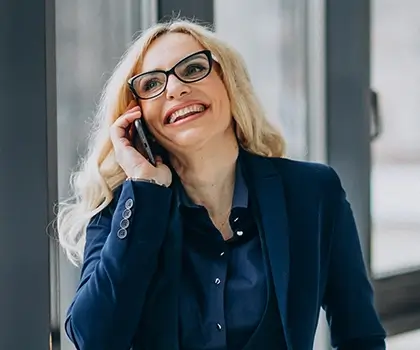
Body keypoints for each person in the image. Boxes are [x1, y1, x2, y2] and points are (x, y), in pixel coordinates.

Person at [57, 18, 386, 350]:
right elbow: (93, 338)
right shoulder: (125, 210)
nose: (175, 89)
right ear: (137, 117)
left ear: (229, 82)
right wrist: (145, 191)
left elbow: (360, 335)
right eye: (151, 85)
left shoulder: (312, 192)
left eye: (193, 68)